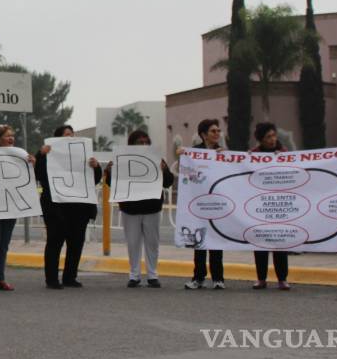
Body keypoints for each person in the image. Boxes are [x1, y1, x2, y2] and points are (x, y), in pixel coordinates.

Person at [0, 92, 33, 292]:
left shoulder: (18, 155)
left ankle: (1, 277)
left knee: (5, 243)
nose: (11, 138)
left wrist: (31, 162)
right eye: (7, 135)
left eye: (12, 135)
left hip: (11, 203)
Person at [34, 125, 100, 289]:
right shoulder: (48, 154)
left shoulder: (83, 154)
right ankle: (52, 279)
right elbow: (39, 175)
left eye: (72, 134)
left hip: (79, 207)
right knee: (55, 242)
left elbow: (93, 180)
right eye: (67, 135)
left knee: (76, 243)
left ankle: (70, 277)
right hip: (56, 207)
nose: (71, 137)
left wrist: (96, 167)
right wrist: (41, 155)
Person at [109, 130, 174, 288]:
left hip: (152, 207)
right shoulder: (123, 160)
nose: (144, 145)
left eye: (146, 142)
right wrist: (110, 171)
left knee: (153, 243)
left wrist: (164, 169)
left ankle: (153, 275)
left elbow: (168, 182)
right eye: (140, 142)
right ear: (132, 144)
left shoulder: (156, 158)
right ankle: (134, 275)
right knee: (133, 243)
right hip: (130, 208)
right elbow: (112, 183)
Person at [184, 118, 226, 290]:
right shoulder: (194, 153)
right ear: (203, 135)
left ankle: (218, 278)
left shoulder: (224, 153)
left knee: (216, 241)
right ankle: (198, 278)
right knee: (199, 242)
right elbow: (188, 173)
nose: (217, 134)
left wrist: (225, 158)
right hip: (199, 204)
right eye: (213, 131)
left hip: (217, 203)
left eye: (218, 131)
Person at [251, 122, 291, 290]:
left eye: (274, 135)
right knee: (260, 242)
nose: (272, 139)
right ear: (261, 139)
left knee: (280, 242)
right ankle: (261, 278)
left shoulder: (284, 154)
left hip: (279, 204)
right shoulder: (252, 155)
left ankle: (282, 278)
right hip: (260, 204)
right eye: (268, 137)